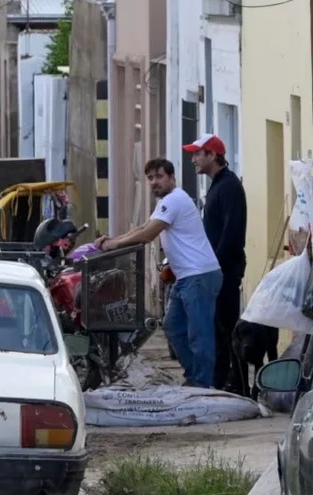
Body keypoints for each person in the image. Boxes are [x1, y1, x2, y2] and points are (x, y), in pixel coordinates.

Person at [97, 159, 222, 387]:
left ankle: (203, 383)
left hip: (199, 275)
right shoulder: (166, 202)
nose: (154, 182)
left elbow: (148, 235)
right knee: (173, 327)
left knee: (199, 334)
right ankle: (195, 376)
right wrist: (112, 240)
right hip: (185, 278)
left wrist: (113, 246)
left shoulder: (175, 200)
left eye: (159, 176)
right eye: (150, 178)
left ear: (172, 178)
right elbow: (143, 228)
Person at [187, 133, 248, 392]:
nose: (194, 160)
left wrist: (215, 266)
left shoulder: (229, 186)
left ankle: (236, 383)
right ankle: (221, 381)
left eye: (198, 154)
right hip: (215, 269)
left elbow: (232, 233)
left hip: (224, 271)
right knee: (217, 329)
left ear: (212, 155)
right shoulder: (217, 185)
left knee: (226, 328)